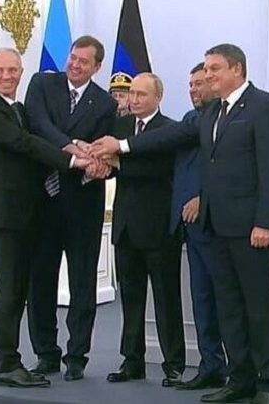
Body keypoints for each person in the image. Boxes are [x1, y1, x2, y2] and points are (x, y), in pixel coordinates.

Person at [91, 44, 269, 404]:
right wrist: (121, 144)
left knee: (258, 307)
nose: (207, 75)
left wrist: (265, 222)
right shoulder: (211, 112)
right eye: (206, 69)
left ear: (237, 70)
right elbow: (169, 137)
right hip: (217, 227)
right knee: (228, 307)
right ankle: (240, 379)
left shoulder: (265, 107)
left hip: (251, 230)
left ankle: (268, 385)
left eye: (214, 69)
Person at [0, 47, 91, 389]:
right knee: (10, 292)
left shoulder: (18, 109)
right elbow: (24, 144)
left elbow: (35, 143)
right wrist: (72, 160)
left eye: (13, 70)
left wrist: (76, 147)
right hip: (6, 216)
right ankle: (9, 363)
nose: (6, 76)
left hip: (23, 216)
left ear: (21, 72)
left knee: (15, 291)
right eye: (0, 71)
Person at [23, 35, 116, 381]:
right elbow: (39, 125)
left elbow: (106, 151)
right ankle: (46, 352)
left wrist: (100, 165)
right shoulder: (42, 84)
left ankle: (77, 355)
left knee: (82, 283)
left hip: (83, 204)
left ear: (97, 67)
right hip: (42, 202)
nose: (75, 65)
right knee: (40, 282)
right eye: (73, 58)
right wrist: (71, 146)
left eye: (83, 61)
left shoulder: (105, 104)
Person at [103, 73, 185, 388]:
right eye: (131, 93)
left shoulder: (170, 129)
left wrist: (120, 163)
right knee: (131, 298)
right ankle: (132, 361)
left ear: (158, 98)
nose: (134, 99)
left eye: (141, 94)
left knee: (166, 298)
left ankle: (174, 364)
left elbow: (159, 168)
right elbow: (110, 166)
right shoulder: (120, 127)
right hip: (125, 228)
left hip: (159, 229)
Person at [171, 63, 227, 391]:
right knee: (202, 298)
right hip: (192, 229)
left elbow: (226, 170)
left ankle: (240, 367)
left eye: (199, 84)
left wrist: (202, 199)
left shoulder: (223, 120)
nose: (193, 90)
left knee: (224, 300)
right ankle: (211, 365)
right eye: (190, 85)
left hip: (217, 226)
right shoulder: (190, 120)